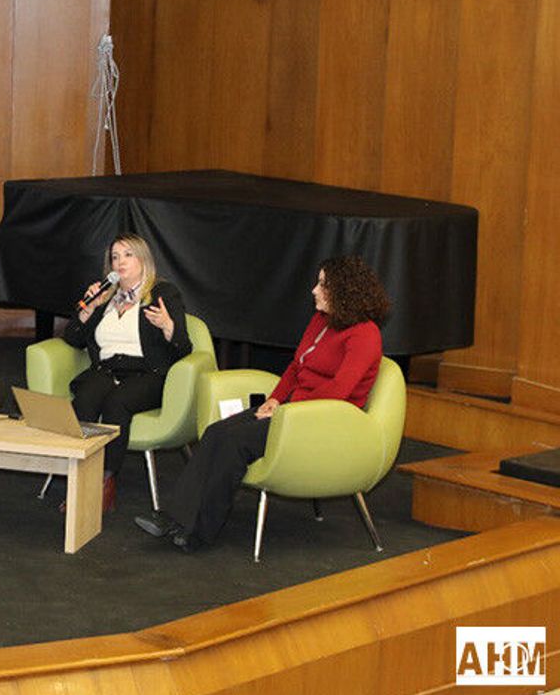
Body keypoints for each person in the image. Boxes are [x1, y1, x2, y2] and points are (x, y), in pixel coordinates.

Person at [135, 255, 391, 551]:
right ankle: (175, 517)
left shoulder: (364, 335)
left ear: (344, 291)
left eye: (323, 284)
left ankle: (198, 532)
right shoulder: (322, 320)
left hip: (322, 422)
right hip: (293, 409)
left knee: (235, 443)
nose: (314, 290)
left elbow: (338, 391)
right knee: (217, 432)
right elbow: (296, 367)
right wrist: (274, 399)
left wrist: (285, 410)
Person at [61, 233, 192, 513]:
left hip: (147, 373)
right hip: (107, 369)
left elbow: (184, 347)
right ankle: (80, 478)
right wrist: (89, 308)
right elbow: (72, 338)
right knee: (86, 398)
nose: (120, 262)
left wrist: (168, 326)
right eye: (115, 257)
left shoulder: (162, 293)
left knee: (117, 403)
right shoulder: (105, 296)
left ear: (143, 260)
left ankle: (105, 482)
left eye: (128, 255)